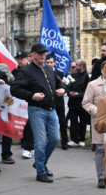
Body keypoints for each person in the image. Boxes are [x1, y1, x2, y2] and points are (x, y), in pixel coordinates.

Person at [10, 43, 65, 183]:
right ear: (32, 55)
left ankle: (40, 163)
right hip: (36, 110)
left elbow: (60, 83)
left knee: (54, 139)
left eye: (44, 53)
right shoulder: (26, 71)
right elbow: (15, 89)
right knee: (40, 143)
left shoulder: (48, 68)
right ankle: (40, 172)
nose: (42, 55)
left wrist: (63, 90)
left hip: (51, 109)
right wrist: (32, 96)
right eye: (39, 53)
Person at [82, 63, 106, 189]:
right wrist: (98, 111)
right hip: (100, 121)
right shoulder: (93, 84)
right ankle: (101, 176)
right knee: (100, 149)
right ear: (102, 70)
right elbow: (86, 102)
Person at [45, 54, 69, 151]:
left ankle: (64, 141)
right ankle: (50, 141)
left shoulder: (59, 73)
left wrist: (63, 89)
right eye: (47, 62)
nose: (49, 64)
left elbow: (64, 86)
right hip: (49, 101)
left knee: (62, 121)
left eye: (51, 62)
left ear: (55, 63)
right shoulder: (43, 73)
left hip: (59, 100)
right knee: (47, 122)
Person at [12, 51, 33, 160]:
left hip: (29, 100)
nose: (20, 61)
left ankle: (28, 147)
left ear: (27, 59)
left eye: (22, 58)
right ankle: (24, 143)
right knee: (21, 123)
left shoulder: (31, 70)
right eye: (18, 58)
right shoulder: (14, 71)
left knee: (29, 124)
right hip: (18, 101)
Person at [66, 59, 90, 147]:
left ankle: (82, 139)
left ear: (82, 66)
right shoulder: (72, 75)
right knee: (73, 122)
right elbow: (67, 86)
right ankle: (74, 139)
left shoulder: (87, 76)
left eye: (77, 65)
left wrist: (78, 94)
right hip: (72, 103)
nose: (75, 66)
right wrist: (69, 92)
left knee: (83, 122)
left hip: (82, 103)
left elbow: (88, 91)